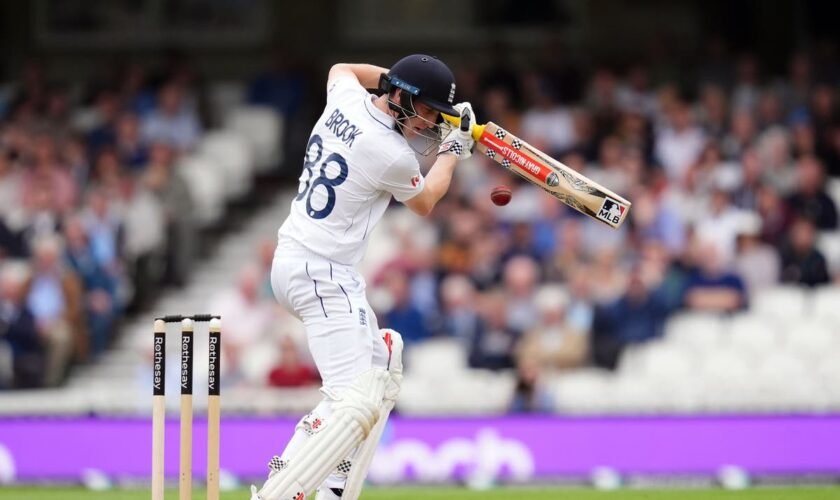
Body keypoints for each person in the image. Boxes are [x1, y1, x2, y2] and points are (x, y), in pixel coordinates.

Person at [252, 55, 475, 500]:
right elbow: (427, 201)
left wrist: (397, 82)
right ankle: (280, 490)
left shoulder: (344, 98)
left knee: (379, 367)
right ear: (401, 97)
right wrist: (453, 152)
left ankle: (335, 486)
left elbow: (340, 68)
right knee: (348, 400)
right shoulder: (390, 153)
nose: (430, 122)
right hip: (322, 272)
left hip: (298, 260)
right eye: (427, 110)